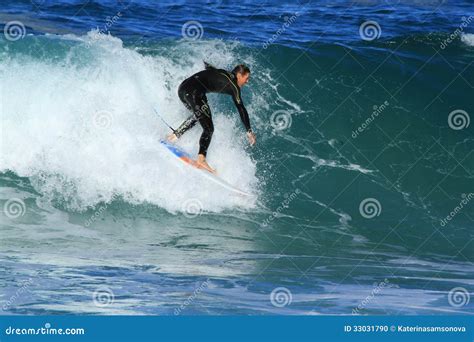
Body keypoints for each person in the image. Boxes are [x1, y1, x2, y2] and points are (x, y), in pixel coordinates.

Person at [167, 62, 256, 173]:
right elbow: (241, 108)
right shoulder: (234, 87)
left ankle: (173, 136)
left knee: (198, 115)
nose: (247, 81)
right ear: (239, 75)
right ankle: (201, 159)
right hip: (194, 93)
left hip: (183, 89)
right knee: (209, 128)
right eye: (246, 78)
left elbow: (210, 69)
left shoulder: (222, 72)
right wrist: (249, 131)